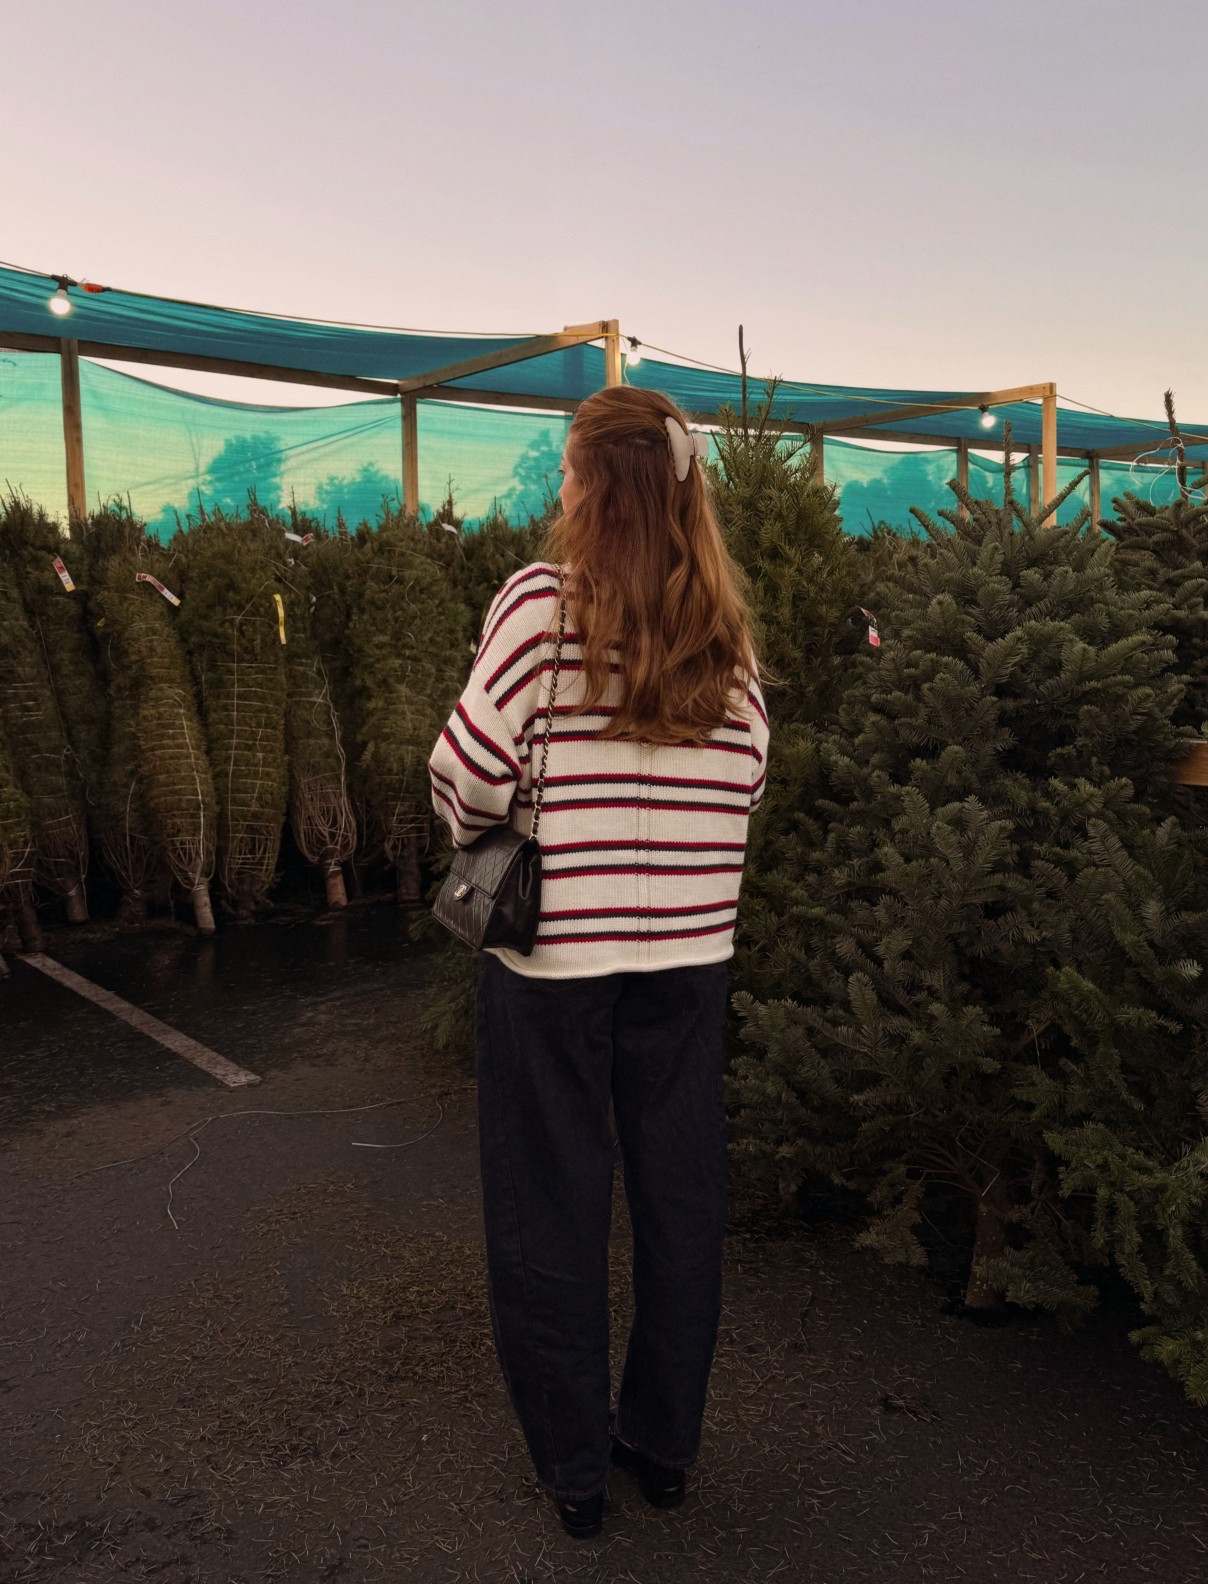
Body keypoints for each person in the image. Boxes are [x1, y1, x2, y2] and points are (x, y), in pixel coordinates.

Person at [428, 385, 770, 1540]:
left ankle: (574, 1470)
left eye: (565, 469)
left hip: (554, 962)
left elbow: (469, 773)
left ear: (591, 486)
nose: (557, 487)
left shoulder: (540, 604)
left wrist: (522, 806)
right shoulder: (724, 629)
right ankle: (664, 1449)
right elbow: (749, 779)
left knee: (549, 1207)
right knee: (680, 1200)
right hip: (689, 957)